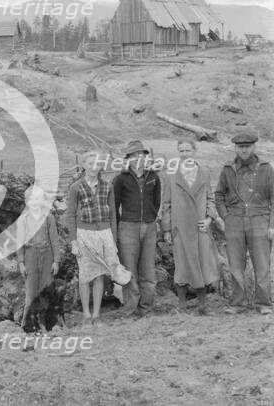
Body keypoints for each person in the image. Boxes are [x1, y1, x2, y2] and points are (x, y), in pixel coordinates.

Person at [215, 131, 274, 315]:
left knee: (262, 265)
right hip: (235, 221)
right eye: (240, 147)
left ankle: (264, 303)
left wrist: (271, 225)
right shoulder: (227, 169)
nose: (244, 150)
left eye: (247, 146)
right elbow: (219, 195)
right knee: (235, 265)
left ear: (254, 147)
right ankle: (237, 303)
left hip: (260, 219)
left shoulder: (266, 168)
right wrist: (226, 216)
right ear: (235, 148)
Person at [161, 139, 220, 315]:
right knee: (182, 266)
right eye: (181, 150)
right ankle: (182, 306)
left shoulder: (204, 173)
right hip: (181, 228)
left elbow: (210, 198)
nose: (185, 153)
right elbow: (166, 204)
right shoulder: (171, 175)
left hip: (200, 227)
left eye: (188, 150)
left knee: (202, 264)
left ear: (195, 151)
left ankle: (203, 306)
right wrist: (167, 229)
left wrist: (209, 218)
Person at [66, 151, 122, 327]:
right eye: (90, 164)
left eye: (97, 164)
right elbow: (70, 215)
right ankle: (86, 315)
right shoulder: (76, 187)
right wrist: (73, 241)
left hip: (104, 233)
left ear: (101, 167)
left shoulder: (108, 186)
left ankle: (97, 314)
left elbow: (113, 213)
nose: (93, 168)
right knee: (85, 275)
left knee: (99, 275)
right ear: (84, 165)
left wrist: (112, 238)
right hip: (84, 234)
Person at [113, 140, 162, 317]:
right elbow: (114, 205)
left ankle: (146, 308)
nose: (137, 158)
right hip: (128, 226)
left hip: (149, 226)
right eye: (133, 155)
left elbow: (156, 202)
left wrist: (151, 218)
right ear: (128, 159)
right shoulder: (120, 179)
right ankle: (130, 309)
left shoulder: (154, 177)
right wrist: (121, 225)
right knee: (129, 269)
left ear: (145, 156)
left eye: (140, 154)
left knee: (148, 269)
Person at [16, 185, 62, 328]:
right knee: (31, 291)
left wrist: (56, 260)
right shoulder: (23, 220)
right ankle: (25, 322)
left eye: (37, 199)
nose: (34, 202)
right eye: (30, 199)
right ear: (26, 201)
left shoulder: (49, 218)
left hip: (47, 254)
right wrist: (21, 262)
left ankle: (50, 323)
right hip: (30, 255)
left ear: (42, 200)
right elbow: (20, 243)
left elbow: (54, 240)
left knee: (47, 289)